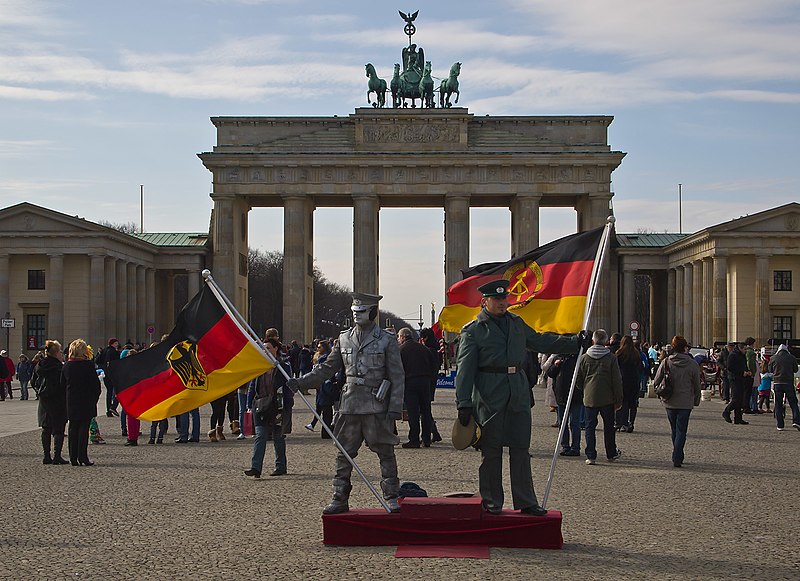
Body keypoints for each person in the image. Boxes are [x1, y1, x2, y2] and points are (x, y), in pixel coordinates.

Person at [455, 279, 586, 516]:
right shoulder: (473, 330)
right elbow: (464, 369)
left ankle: (526, 500)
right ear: (485, 302)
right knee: (491, 451)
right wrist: (463, 402)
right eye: (497, 300)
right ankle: (491, 500)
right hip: (489, 394)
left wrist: (574, 343)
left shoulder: (516, 323)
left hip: (517, 392)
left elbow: (540, 340)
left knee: (521, 449)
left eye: (504, 299)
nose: (502, 303)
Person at [288, 292, 405, 514]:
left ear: (372, 312)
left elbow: (397, 376)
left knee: (386, 452)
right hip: (349, 404)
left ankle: (391, 496)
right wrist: (302, 382)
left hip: (375, 405)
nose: (356, 316)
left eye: (361, 312)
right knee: (343, 454)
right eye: (354, 312)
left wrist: (395, 408)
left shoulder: (387, 340)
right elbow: (326, 368)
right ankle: (339, 497)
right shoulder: (343, 338)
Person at [245, 338, 293, 478]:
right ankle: (256, 468)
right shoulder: (259, 364)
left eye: (268, 347)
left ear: (275, 348)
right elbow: (253, 385)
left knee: (278, 437)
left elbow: (288, 386)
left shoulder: (283, 366)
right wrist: (249, 404)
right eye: (263, 347)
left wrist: (288, 404)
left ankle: (281, 466)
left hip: (277, 406)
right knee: (260, 436)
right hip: (260, 405)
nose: (265, 349)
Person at [575, 329, 623, 465]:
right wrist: (619, 399)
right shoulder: (611, 358)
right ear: (606, 341)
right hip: (607, 398)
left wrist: (585, 389)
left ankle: (591, 455)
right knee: (609, 427)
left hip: (590, 396)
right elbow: (617, 380)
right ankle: (611, 453)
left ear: (593, 341)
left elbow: (578, 378)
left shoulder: (584, 357)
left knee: (590, 427)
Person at [653, 335, 701, 467]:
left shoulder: (666, 362)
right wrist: (696, 400)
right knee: (681, 430)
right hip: (685, 402)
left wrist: (660, 394)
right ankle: (677, 455)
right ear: (685, 348)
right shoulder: (692, 364)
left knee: (674, 429)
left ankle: (677, 453)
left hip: (670, 400)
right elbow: (697, 384)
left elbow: (656, 381)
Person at [62, 339, 102, 466]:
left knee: (73, 428)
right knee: (83, 430)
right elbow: (95, 385)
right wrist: (94, 398)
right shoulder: (88, 365)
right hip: (86, 401)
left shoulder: (66, 366)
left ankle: (73, 457)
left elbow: (62, 384)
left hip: (71, 401)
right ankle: (82, 457)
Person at [397, 327, 437, 448]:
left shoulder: (401, 350)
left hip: (410, 383)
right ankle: (426, 438)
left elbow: (398, 369)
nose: (398, 340)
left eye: (399, 337)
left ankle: (414, 439)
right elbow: (433, 366)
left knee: (413, 412)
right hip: (425, 382)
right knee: (426, 411)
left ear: (403, 337)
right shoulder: (424, 349)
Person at [36, 340, 69, 465]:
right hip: (58, 400)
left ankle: (46, 456)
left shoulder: (40, 365)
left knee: (46, 428)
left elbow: (34, 381)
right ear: (55, 353)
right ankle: (57, 456)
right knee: (59, 429)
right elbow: (63, 383)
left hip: (44, 400)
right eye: (60, 351)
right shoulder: (59, 367)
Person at [548, 353, 582, 456]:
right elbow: (550, 373)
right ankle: (565, 445)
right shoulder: (558, 357)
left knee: (575, 423)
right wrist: (556, 365)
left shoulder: (579, 357)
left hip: (575, 396)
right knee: (562, 423)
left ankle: (575, 447)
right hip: (561, 395)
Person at [305, 341, 338, 438]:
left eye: (319, 347)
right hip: (324, 386)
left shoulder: (324, 358)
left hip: (324, 385)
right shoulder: (322, 357)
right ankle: (326, 431)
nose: (318, 349)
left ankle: (324, 429)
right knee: (325, 409)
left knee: (325, 409)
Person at [615, 336, 644, 432]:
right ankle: (631, 422)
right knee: (633, 403)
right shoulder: (636, 354)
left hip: (622, 380)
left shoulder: (619, 353)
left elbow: (616, 368)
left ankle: (621, 422)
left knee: (622, 402)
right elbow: (640, 367)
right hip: (634, 380)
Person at [768, 343, 800, 431]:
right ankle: (796, 421)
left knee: (778, 404)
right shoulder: (792, 358)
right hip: (788, 383)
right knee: (793, 403)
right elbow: (795, 369)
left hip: (777, 383)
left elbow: (770, 370)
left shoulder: (773, 358)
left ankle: (780, 425)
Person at [723, 341, 752, 425]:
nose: (746, 351)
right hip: (734, 379)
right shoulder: (733, 355)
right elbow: (730, 367)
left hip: (741, 378)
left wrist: (747, 371)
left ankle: (738, 418)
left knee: (740, 399)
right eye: (745, 349)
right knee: (736, 399)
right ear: (740, 348)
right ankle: (726, 411)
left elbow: (744, 365)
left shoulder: (741, 355)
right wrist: (741, 372)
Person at [97, 338, 121, 416]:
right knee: (118, 391)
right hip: (113, 374)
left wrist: (103, 367)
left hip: (106, 374)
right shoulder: (114, 352)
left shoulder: (104, 351)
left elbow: (97, 360)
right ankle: (113, 406)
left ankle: (108, 411)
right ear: (113, 344)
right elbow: (117, 364)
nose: (117, 345)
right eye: (116, 343)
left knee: (109, 392)